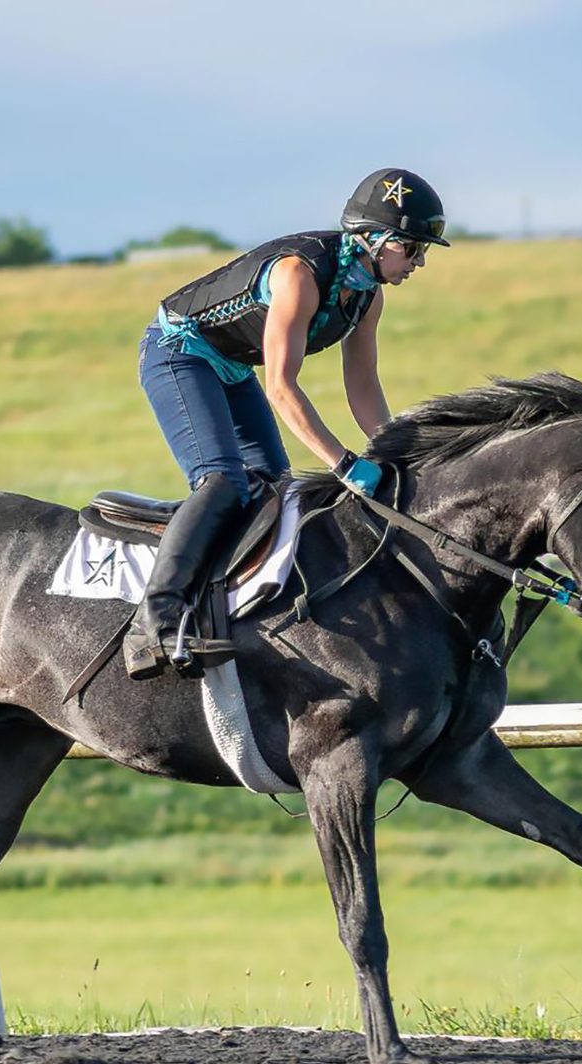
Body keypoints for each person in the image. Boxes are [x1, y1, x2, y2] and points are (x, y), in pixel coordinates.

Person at [125, 168, 450, 680]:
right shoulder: (299, 275)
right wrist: (344, 464)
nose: (420, 261)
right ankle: (154, 622)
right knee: (223, 482)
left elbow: (362, 388)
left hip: (229, 366)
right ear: (378, 239)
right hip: (179, 355)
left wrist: (398, 454)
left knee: (276, 492)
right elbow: (281, 386)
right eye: (413, 249)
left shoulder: (368, 295)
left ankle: (225, 607)